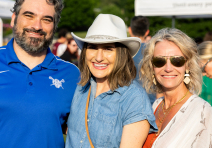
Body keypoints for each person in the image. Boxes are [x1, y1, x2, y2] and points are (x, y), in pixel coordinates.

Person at [0, 0, 80, 148]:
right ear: (14, 18)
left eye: (47, 19)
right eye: (29, 16)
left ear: (54, 26)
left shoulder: (71, 75)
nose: (37, 26)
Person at [65, 14, 157, 148]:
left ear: (121, 54)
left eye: (108, 49)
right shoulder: (79, 88)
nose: (99, 57)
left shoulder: (133, 98)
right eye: (93, 47)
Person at [140, 28, 212, 148]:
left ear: (187, 65)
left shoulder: (203, 112)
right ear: (152, 66)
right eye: (159, 61)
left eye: (177, 61)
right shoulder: (154, 107)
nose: (168, 68)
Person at [128, 16, 156, 103]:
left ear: (130, 30)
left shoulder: (124, 53)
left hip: (129, 103)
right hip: (152, 102)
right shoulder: (154, 52)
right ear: (147, 32)